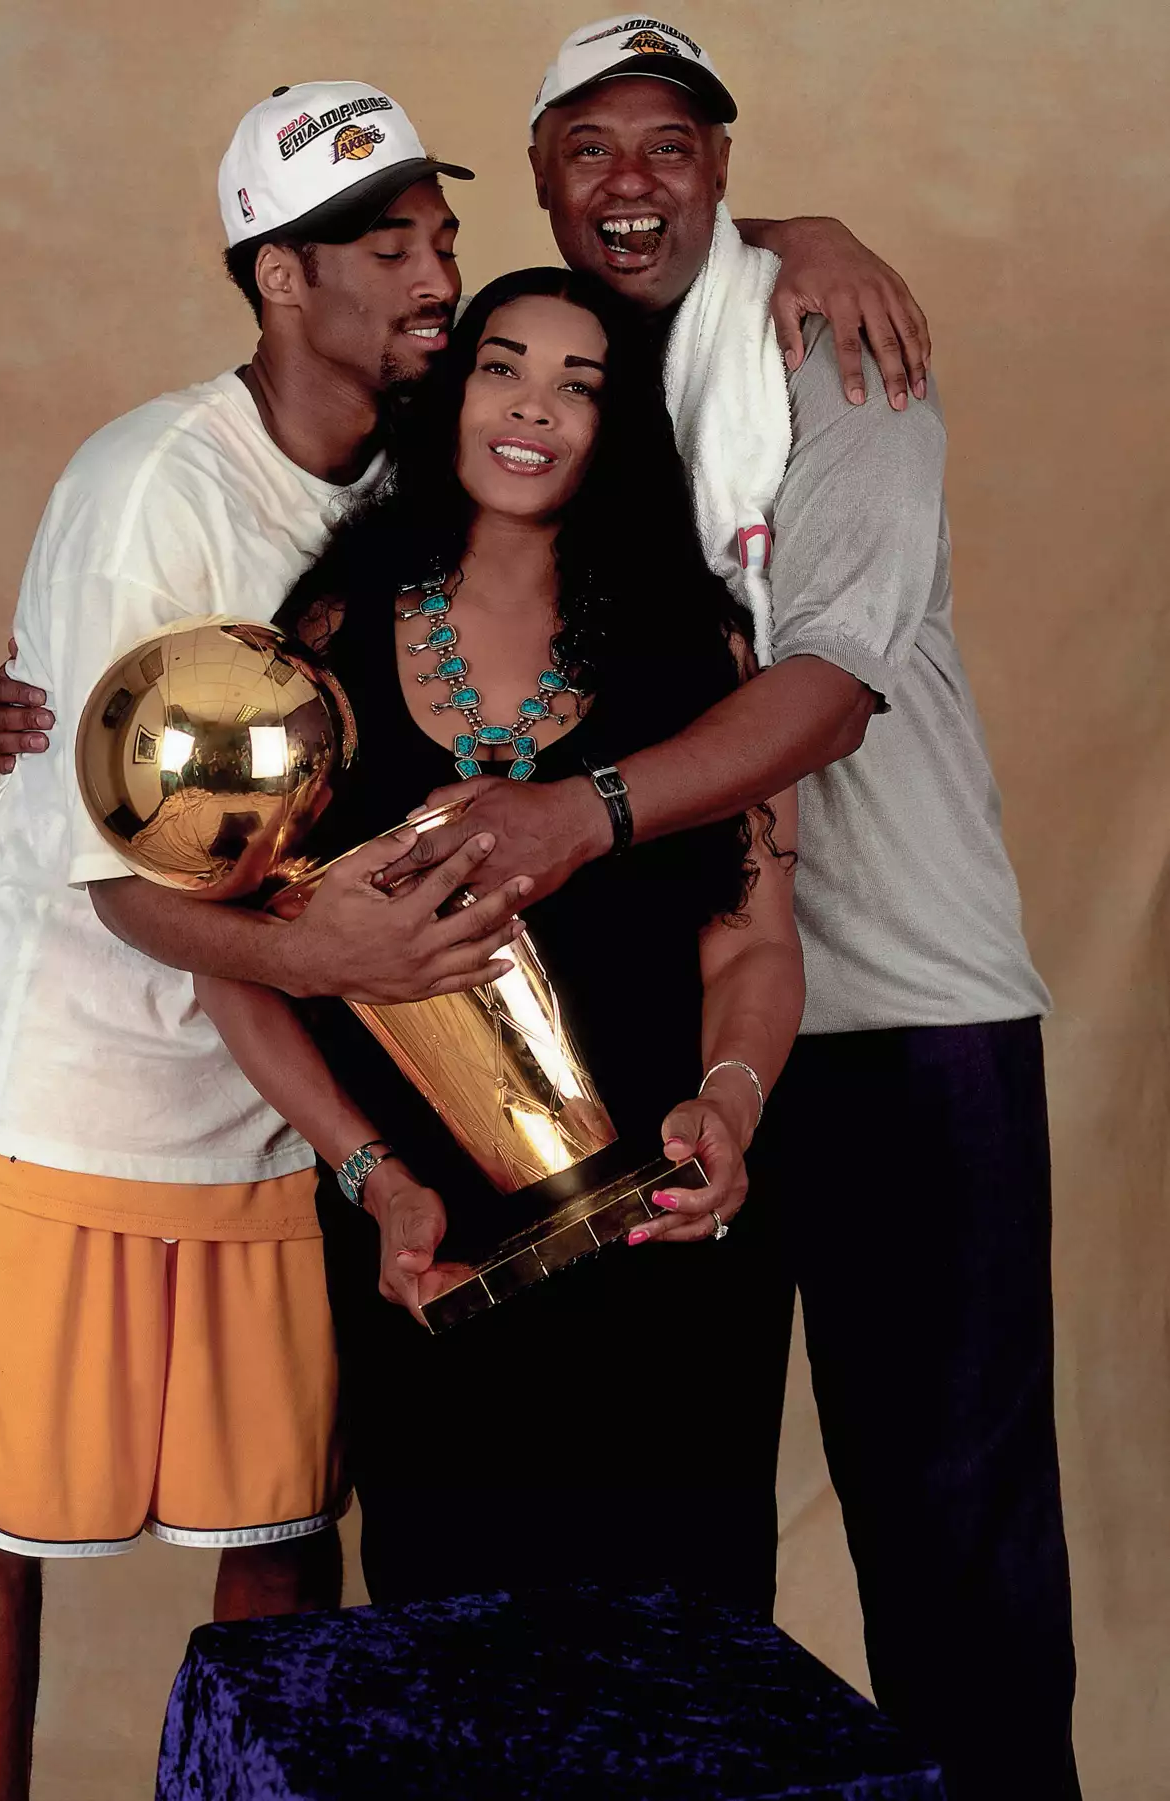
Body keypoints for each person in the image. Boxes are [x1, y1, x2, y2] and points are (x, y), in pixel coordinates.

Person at [356, 19, 1072, 1801]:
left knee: (956, 1538)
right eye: (588, 146)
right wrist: (61, 679)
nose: (629, 180)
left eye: (671, 145)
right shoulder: (546, 387)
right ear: (532, 176)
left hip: (908, 1017)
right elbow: (319, 532)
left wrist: (578, 815)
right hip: (681, 1038)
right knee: (690, 1563)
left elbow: (825, 684)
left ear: (725, 171)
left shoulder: (829, 348)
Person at [0, 84, 540, 1801]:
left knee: (280, 1516)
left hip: (269, 1086)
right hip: (73, 1079)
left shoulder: (417, 468)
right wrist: (352, 967)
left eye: (443, 240)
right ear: (277, 280)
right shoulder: (152, 486)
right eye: (387, 246)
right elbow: (116, 876)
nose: (435, 276)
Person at [193, 263, 805, 1606]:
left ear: (621, 426)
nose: (534, 409)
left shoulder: (702, 656)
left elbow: (755, 944)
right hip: (434, 1256)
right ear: (451, 393)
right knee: (451, 1670)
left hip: (669, 1234)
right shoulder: (326, 638)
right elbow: (230, 954)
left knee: (677, 1675)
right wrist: (374, 1180)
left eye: (580, 385)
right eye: (503, 366)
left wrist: (730, 1107)